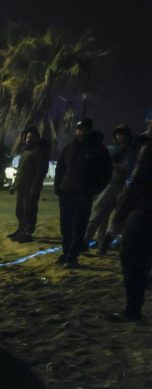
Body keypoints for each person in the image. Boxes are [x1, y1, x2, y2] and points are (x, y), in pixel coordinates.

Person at [108, 116, 152, 321]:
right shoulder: (142, 144)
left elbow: (135, 182)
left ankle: (133, 308)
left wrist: (119, 214)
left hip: (143, 209)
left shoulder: (146, 148)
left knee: (131, 255)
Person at [54, 119, 111, 268]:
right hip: (66, 193)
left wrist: (94, 189)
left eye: (84, 129)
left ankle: (72, 257)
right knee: (65, 226)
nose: (81, 132)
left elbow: (107, 172)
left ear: (90, 130)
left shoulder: (98, 149)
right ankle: (66, 253)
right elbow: (60, 168)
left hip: (83, 194)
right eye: (79, 129)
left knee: (78, 227)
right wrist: (57, 188)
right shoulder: (70, 148)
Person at [86, 124, 134, 254]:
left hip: (121, 187)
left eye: (124, 134)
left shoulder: (131, 151)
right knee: (100, 216)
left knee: (115, 220)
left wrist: (110, 162)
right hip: (109, 185)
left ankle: (92, 243)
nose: (121, 137)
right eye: (118, 134)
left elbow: (126, 168)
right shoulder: (112, 149)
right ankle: (94, 243)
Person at [8, 126, 48, 242]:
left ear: (36, 138)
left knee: (29, 211)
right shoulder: (26, 151)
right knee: (20, 211)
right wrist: (14, 186)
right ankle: (21, 229)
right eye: (26, 137)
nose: (27, 139)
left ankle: (27, 232)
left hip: (31, 188)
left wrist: (35, 187)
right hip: (21, 187)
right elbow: (21, 171)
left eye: (30, 137)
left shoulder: (39, 152)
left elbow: (41, 171)